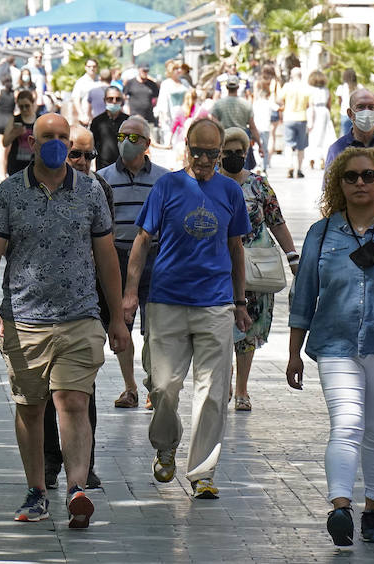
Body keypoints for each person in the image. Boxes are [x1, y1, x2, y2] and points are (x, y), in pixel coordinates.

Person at [0, 113, 130, 528]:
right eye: (50, 137)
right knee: (30, 408)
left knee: (73, 401)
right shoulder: (10, 192)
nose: (57, 144)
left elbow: (105, 258)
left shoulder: (91, 192)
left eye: (64, 137)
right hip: (24, 319)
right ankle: (37, 490)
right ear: (32, 141)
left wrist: (117, 317)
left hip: (79, 317)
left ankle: (77, 487)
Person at [287, 146, 374, 547]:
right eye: (351, 177)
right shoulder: (322, 231)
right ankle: (340, 507)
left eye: (368, 175)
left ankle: (372, 510)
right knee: (347, 423)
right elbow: (304, 295)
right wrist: (293, 351)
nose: (360, 183)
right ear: (339, 184)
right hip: (335, 343)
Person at [121, 117, 252, 499]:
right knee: (163, 386)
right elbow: (142, 241)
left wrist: (240, 301)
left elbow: (236, 248)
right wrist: (131, 293)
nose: (206, 159)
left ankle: (202, 473)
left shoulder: (230, 192)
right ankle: (165, 445)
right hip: (166, 301)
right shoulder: (167, 186)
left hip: (215, 303)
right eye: (199, 151)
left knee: (213, 392)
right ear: (186, 148)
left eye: (213, 153)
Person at [41, 125, 113, 492]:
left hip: (87, 309)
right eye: (76, 155)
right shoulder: (37, 188)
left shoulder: (100, 191)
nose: (83, 163)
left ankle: (84, 467)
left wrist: (114, 312)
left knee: (83, 392)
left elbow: (106, 252)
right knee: (45, 394)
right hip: (40, 310)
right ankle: (49, 463)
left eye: (89, 156)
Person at [220, 128, 298, 412]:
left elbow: (277, 221)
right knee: (220, 327)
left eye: (239, 153)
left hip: (256, 270)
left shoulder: (259, 186)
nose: (234, 157)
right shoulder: (210, 184)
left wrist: (292, 257)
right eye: (227, 153)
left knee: (248, 328)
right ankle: (223, 378)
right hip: (219, 269)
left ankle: (242, 389)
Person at [97, 117, 169, 408]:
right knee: (120, 324)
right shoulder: (102, 178)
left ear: (148, 144)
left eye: (134, 137)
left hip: (155, 258)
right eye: (122, 136)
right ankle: (129, 387)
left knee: (155, 327)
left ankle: (153, 384)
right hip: (115, 258)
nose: (127, 142)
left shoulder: (164, 179)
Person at [210, 76, 261, 168]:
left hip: (225, 137)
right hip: (242, 137)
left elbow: (213, 122)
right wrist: (260, 145)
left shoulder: (218, 104)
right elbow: (252, 127)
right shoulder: (246, 104)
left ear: (226, 87)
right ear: (238, 87)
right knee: (243, 166)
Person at [278, 66, 312, 178]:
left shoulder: (287, 86)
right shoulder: (306, 87)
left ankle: (290, 166)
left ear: (291, 76)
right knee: (301, 146)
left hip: (288, 117)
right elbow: (309, 104)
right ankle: (299, 169)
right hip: (302, 118)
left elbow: (279, 99)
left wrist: (284, 105)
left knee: (288, 144)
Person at [2, 88, 40, 177]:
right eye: (21, 106)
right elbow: (5, 142)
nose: (24, 109)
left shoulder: (39, 120)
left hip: (35, 164)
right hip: (16, 164)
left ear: (32, 103)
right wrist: (15, 133)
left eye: (27, 106)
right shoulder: (14, 119)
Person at [90, 84, 129, 170]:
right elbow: (92, 146)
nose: (114, 101)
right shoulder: (97, 121)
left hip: (125, 168)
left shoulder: (128, 121)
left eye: (117, 99)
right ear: (104, 100)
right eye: (110, 99)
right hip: (103, 168)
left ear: (122, 101)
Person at [306, 69, 335, 170]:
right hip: (324, 111)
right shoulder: (326, 90)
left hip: (314, 111)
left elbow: (309, 103)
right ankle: (323, 158)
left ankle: (312, 159)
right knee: (325, 136)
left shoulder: (310, 90)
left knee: (313, 136)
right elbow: (329, 104)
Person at [251, 79, 277, 174]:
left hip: (257, 128)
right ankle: (264, 167)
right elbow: (278, 108)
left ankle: (258, 165)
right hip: (265, 128)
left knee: (256, 146)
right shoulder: (269, 102)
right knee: (264, 147)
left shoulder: (255, 103)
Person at [70, 57, 104, 123]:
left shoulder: (101, 80)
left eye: (94, 66)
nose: (92, 68)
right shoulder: (80, 82)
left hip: (101, 117)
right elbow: (76, 100)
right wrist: (81, 115)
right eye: (89, 66)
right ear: (85, 67)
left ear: (97, 67)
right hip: (87, 118)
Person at [334, 68, 357, 137]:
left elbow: (340, 101)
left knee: (345, 135)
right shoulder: (359, 87)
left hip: (345, 113)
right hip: (357, 114)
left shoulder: (341, 87)